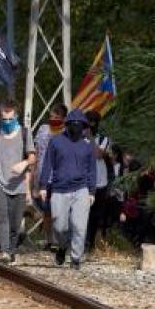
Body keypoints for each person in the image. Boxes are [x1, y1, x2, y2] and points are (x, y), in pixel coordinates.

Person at [39, 110, 97, 269]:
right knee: (59, 226)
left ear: (84, 126)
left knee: (80, 226)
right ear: (68, 124)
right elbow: (47, 164)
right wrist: (43, 186)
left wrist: (92, 191)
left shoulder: (88, 144)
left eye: (80, 124)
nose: (77, 126)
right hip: (59, 188)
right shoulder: (56, 141)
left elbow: (92, 169)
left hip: (81, 189)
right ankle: (62, 246)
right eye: (74, 123)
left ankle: (76, 259)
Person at [0, 99, 35, 264]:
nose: (6, 122)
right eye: (4, 119)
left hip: (18, 186)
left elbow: (33, 157)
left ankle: (11, 250)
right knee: (2, 217)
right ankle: (5, 251)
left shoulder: (25, 133)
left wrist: (24, 163)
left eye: (10, 119)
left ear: (16, 116)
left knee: (15, 223)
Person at [32, 103, 67, 248]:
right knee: (47, 211)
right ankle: (49, 240)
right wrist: (33, 175)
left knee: (58, 211)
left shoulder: (67, 133)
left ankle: (61, 240)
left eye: (57, 117)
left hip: (59, 177)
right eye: (51, 116)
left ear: (64, 119)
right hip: (42, 176)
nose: (53, 119)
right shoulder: (42, 129)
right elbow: (36, 152)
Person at [85, 110, 114, 248]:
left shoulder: (104, 139)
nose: (90, 125)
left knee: (96, 215)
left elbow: (98, 154)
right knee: (83, 213)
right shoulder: (78, 138)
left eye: (93, 123)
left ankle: (90, 242)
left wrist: (90, 138)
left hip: (100, 183)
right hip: (83, 182)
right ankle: (81, 241)